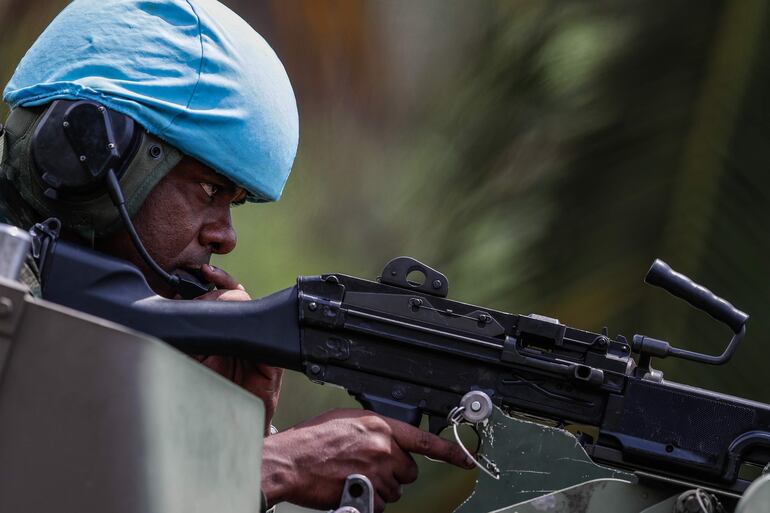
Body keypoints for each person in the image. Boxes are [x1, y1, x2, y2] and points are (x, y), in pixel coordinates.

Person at [0, 1, 473, 512]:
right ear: (88, 152)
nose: (226, 237)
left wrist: (228, 431)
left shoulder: (56, 296)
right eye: (209, 188)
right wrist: (265, 469)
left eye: (235, 203)